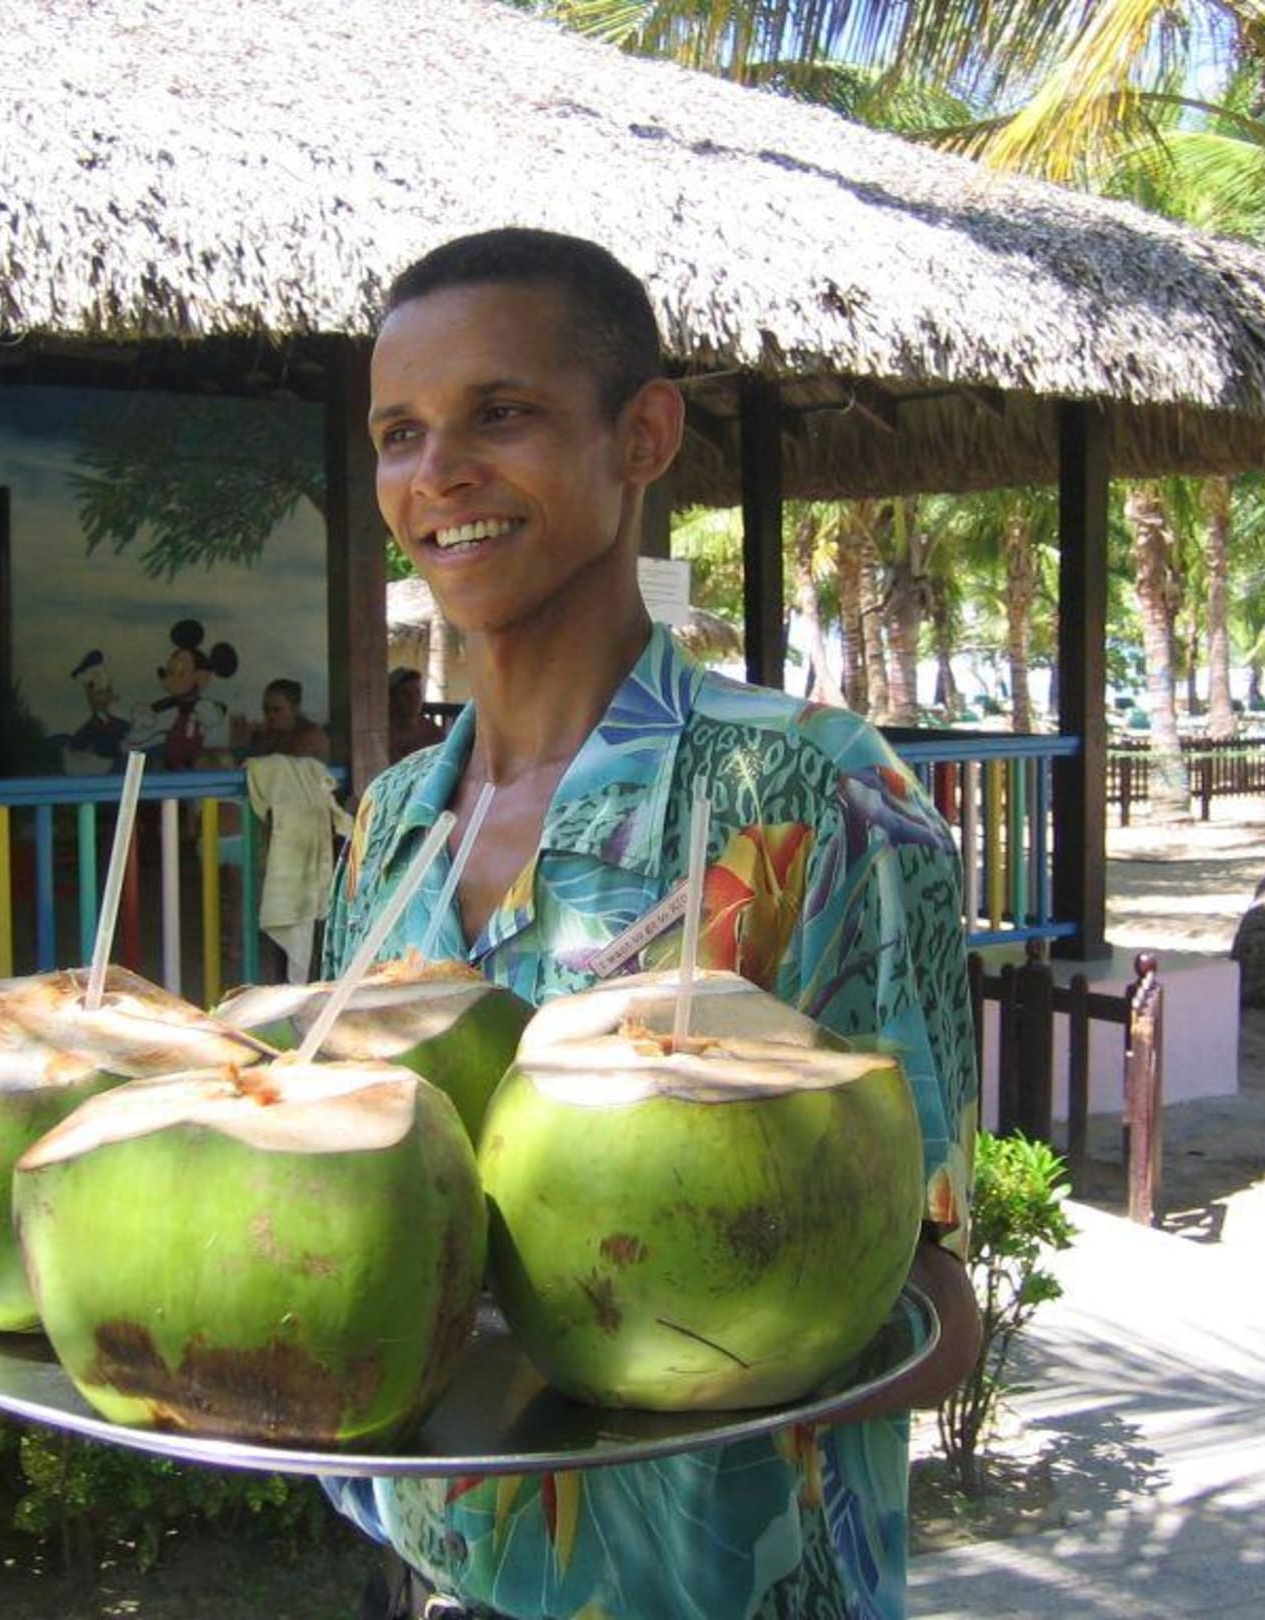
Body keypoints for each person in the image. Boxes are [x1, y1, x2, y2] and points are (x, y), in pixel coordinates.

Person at [322, 228, 982, 1620]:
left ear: (644, 436)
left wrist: (663, 1326)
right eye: (399, 433)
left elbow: (930, 1302)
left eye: (501, 413)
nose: (438, 473)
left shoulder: (815, 792)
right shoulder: (388, 830)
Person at [232, 677, 331, 762]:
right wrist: (244, 743)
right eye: (266, 710)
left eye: (277, 710)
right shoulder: (270, 734)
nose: (270, 716)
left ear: (295, 708)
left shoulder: (310, 735)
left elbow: (289, 770)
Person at [386, 665, 445, 762]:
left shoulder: (433, 733)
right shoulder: (382, 733)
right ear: (392, 698)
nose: (413, 699)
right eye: (405, 694)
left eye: (417, 692)